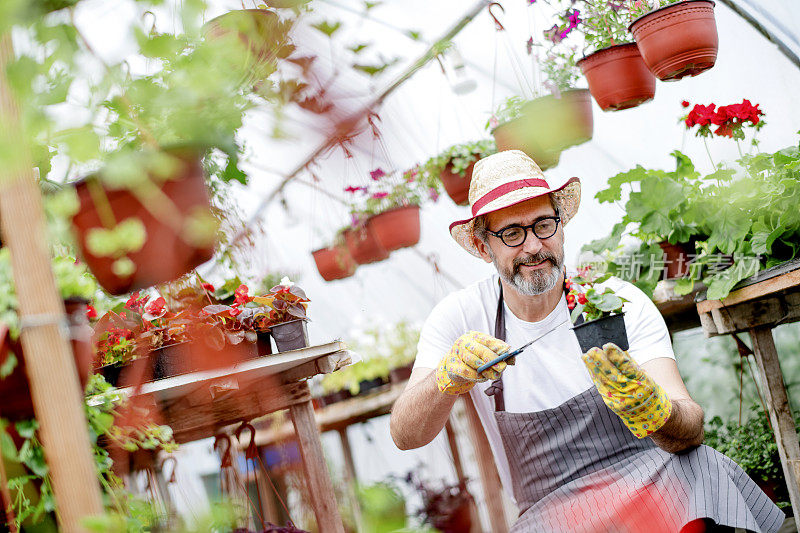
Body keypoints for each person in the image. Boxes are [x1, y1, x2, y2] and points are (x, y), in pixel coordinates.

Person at [389, 150, 784, 532]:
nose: (532, 246)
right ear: (482, 245)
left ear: (561, 223)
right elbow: (406, 435)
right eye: (511, 233)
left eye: (543, 225)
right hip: (553, 516)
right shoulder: (461, 317)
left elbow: (691, 429)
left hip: (652, 485)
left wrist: (659, 412)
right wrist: (446, 376)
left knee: (703, 466)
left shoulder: (615, 301)